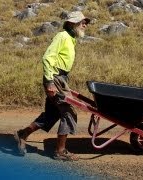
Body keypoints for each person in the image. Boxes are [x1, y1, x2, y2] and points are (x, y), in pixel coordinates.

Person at [15, 11, 90, 161]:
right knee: (68, 112)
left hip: (60, 78)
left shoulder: (71, 38)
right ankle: (60, 151)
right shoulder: (62, 36)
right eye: (82, 22)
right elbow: (47, 58)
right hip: (55, 78)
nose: (85, 25)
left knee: (52, 114)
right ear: (72, 23)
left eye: (85, 22)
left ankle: (23, 134)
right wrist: (50, 82)